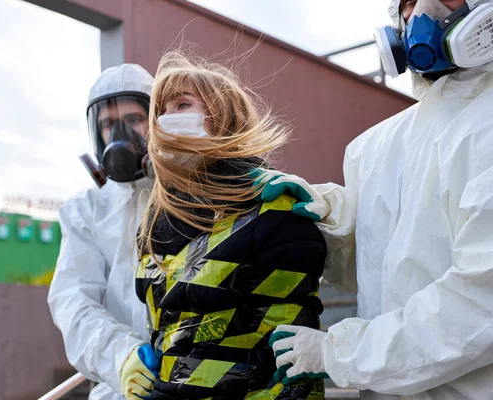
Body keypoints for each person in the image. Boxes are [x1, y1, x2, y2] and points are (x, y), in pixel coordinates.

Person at [267, 1, 493, 399]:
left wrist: (340, 354)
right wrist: (329, 222)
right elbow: (379, 272)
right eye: (408, 3)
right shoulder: (373, 148)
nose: (423, 12)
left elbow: (479, 304)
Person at [134, 51, 329, 399]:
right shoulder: (153, 227)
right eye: (161, 110)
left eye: (182, 105)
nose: (166, 119)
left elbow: (287, 344)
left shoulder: (275, 208)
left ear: (223, 116)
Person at [48, 63, 159, 400]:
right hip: (120, 389)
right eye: (110, 124)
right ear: (97, 135)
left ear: (155, 123)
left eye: (134, 120)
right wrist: (119, 355)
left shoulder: (188, 193)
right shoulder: (86, 211)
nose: (121, 134)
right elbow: (73, 302)